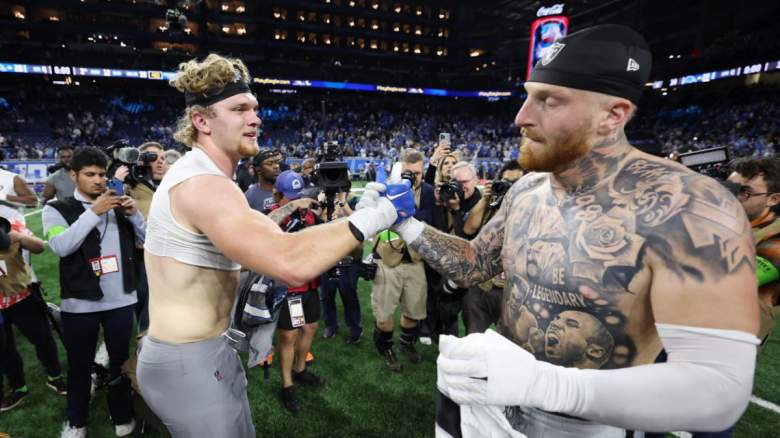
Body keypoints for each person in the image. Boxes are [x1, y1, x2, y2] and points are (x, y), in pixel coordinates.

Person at [381, 24, 759, 437]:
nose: (521, 117)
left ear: (612, 115)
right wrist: (402, 222)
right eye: (528, 96)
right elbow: (473, 264)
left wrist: (547, 387)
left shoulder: (689, 206)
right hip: (487, 401)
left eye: (549, 101)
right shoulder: (527, 189)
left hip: (587, 424)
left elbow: (720, 390)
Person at [136, 54, 404, 438]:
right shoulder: (202, 185)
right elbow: (288, 260)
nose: (256, 118)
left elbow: (273, 237)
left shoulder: (206, 178)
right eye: (240, 108)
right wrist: (381, 216)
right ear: (201, 121)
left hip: (203, 350)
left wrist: (353, 212)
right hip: (187, 359)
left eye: (255, 109)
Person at [43, 147, 145, 438]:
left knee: (119, 363)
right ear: (73, 175)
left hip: (122, 300)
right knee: (79, 366)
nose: (98, 180)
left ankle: (121, 413)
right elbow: (61, 246)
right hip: (79, 302)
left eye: (102, 174)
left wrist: (134, 215)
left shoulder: (120, 206)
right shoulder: (56, 208)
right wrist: (94, 212)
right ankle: (76, 421)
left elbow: (149, 240)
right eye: (90, 174)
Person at [265, 170, 326, 413]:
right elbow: (267, 226)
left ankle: (300, 370)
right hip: (290, 287)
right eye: (289, 198)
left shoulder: (308, 214)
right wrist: (291, 208)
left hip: (310, 283)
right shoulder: (273, 214)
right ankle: (287, 385)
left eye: (297, 197)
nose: (295, 202)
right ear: (277, 194)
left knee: (310, 327)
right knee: (289, 335)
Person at [371, 148, 435, 371]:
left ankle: (407, 343)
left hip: (416, 260)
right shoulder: (386, 189)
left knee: (413, 311)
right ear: (399, 168)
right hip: (388, 260)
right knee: (384, 313)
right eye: (409, 172)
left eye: (417, 173)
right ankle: (386, 347)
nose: (413, 177)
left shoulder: (429, 192)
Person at [0, 215, 66, 412]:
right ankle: (19, 387)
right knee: (4, 349)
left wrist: (18, 237)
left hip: (21, 296)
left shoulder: (10, 224)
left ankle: (55, 377)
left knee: (43, 338)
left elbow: (39, 247)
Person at [462, 160, 524, 334]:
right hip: (482, 285)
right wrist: (486, 198)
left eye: (516, 183)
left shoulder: (534, 209)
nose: (510, 188)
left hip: (512, 291)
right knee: (473, 339)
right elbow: (468, 228)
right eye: (506, 182)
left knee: (509, 345)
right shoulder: (492, 206)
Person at [727, 157, 780, 346]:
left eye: (745, 192)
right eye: (730, 188)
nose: (732, 197)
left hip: (726, 344)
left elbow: (734, 282)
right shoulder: (727, 221)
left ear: (773, 199)